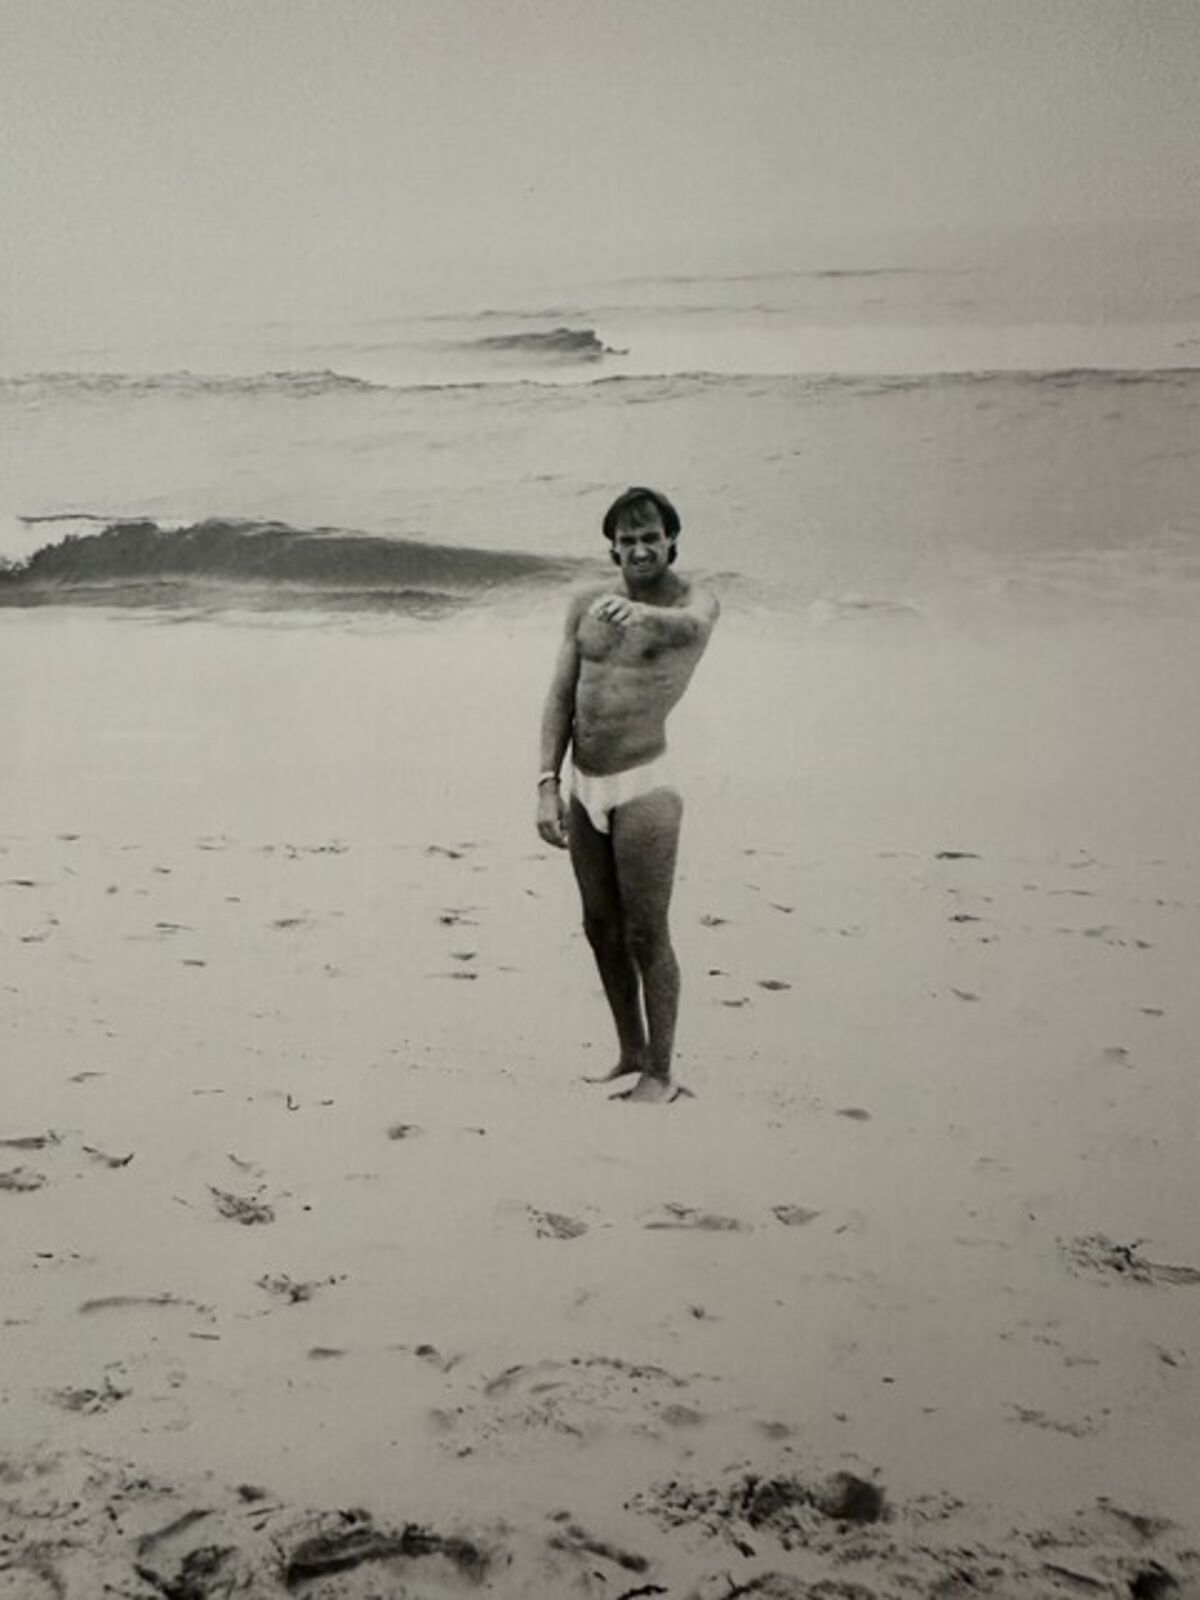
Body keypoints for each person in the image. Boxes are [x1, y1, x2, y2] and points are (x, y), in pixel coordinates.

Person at [536, 487, 719, 1103]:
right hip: (583, 783)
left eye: (651, 538)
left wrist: (646, 616)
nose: (640, 549)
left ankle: (662, 1074)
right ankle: (630, 1052)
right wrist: (546, 784)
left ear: (672, 542)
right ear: (612, 546)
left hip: (644, 784)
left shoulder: (692, 603)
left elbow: (694, 623)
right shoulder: (587, 603)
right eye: (629, 540)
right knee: (599, 927)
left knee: (647, 931)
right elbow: (562, 694)